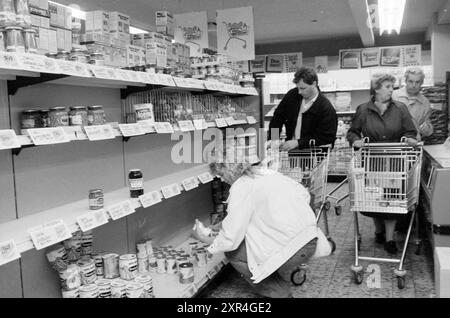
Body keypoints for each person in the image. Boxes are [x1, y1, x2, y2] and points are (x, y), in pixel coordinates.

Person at [192, 159, 331, 298]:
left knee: (233, 253)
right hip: (311, 239)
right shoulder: (268, 174)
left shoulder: (241, 187)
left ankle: (278, 293)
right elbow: (304, 195)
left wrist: (203, 237)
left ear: (227, 171)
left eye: (221, 176)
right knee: (256, 246)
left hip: (293, 250)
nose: (223, 180)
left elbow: (230, 240)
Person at [346, 73, 418, 255]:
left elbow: (410, 131)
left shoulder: (400, 108)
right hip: (373, 162)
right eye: (387, 86)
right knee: (375, 199)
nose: (391, 90)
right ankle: (378, 231)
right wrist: (355, 141)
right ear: (376, 89)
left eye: (392, 86)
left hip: (395, 162)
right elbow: (352, 132)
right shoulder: (363, 110)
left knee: (392, 198)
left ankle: (390, 239)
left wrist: (409, 139)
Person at [268, 66, 337, 151]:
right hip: (293, 152)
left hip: (315, 154)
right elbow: (277, 118)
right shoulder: (292, 96)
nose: (299, 92)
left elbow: (326, 137)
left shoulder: (325, 108)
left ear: (314, 84)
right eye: (298, 88)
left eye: (303, 88)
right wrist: (274, 139)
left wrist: (298, 142)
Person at [392, 67, 433, 141]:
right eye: (411, 81)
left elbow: (428, 129)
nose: (414, 85)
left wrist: (426, 129)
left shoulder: (425, 102)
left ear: (422, 83)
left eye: (417, 82)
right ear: (406, 81)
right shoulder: (393, 96)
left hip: (414, 144)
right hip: (394, 142)